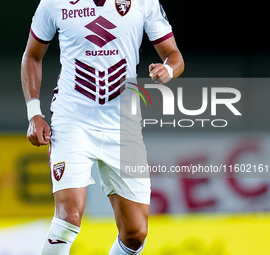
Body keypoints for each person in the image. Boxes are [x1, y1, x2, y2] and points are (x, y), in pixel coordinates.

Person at [21, 0, 184, 253]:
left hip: (123, 125)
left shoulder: (143, 2)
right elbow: (32, 55)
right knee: (68, 217)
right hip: (72, 120)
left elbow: (174, 56)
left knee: (135, 234)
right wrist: (34, 113)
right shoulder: (55, 2)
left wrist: (168, 70)